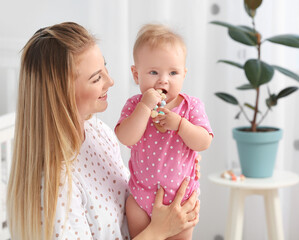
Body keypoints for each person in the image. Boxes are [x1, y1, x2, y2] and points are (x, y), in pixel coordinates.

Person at [6, 22, 200, 240]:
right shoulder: (57, 184)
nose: (111, 81)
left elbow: (130, 198)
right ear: (63, 92)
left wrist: (172, 170)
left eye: (105, 68)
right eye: (96, 78)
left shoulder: (98, 132)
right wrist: (161, 230)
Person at [115, 24, 213, 239]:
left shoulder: (191, 106)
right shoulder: (134, 105)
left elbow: (204, 142)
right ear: (136, 74)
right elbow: (125, 138)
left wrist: (180, 125)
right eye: (153, 72)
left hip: (181, 200)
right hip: (141, 197)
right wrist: (144, 107)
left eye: (173, 72)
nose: (163, 80)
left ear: (184, 74)